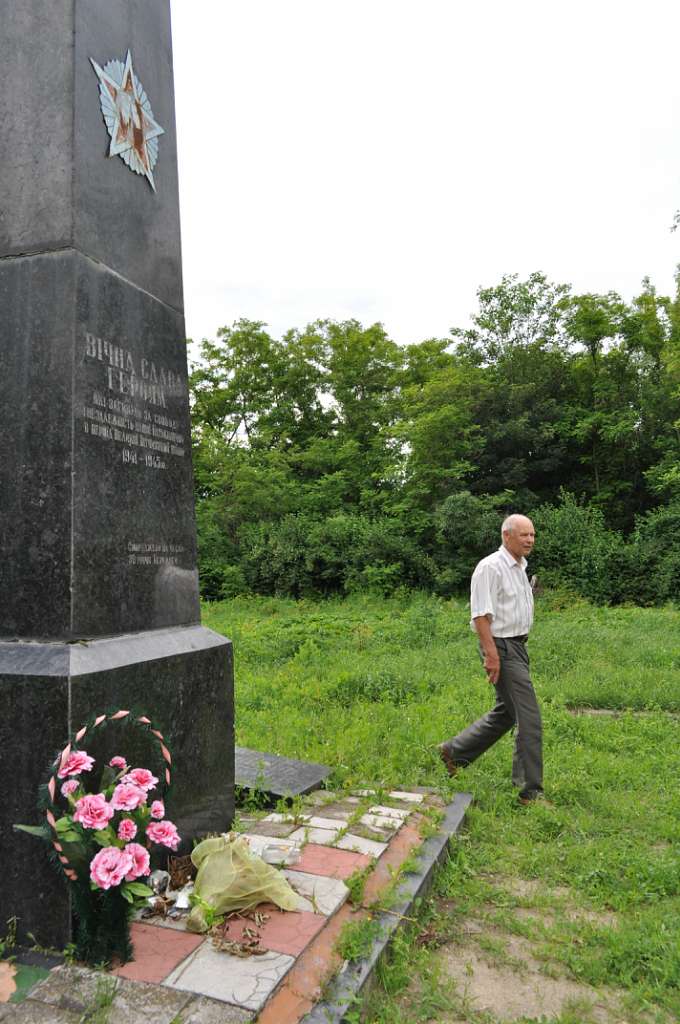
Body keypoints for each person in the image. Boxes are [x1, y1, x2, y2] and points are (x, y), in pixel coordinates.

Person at [438, 514, 545, 804]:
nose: (530, 540)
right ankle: (529, 792)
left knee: (508, 712)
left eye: (532, 535)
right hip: (501, 647)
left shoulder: (520, 567)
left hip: (517, 646)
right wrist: (492, 654)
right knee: (529, 718)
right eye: (524, 535)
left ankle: (454, 752)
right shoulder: (490, 567)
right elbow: (480, 615)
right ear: (506, 536)